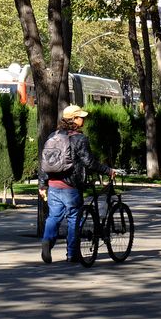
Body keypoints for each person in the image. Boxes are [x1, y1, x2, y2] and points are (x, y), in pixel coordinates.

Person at [39, 105, 115, 264]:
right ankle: (72, 254)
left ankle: (47, 242)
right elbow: (89, 162)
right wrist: (107, 170)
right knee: (74, 219)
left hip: (53, 185)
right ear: (73, 119)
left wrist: (42, 184)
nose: (84, 119)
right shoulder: (80, 139)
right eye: (81, 117)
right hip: (71, 187)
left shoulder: (53, 135)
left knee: (54, 217)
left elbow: (45, 162)